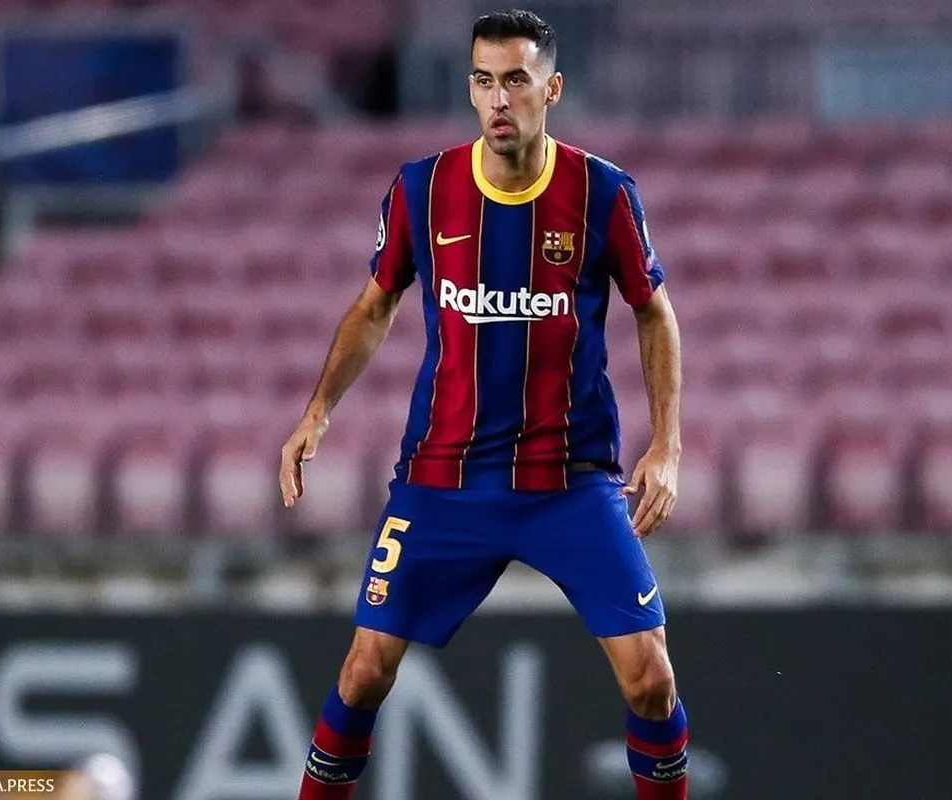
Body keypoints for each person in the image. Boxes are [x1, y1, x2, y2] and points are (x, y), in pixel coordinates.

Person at [279, 9, 686, 799]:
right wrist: (317, 411)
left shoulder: (602, 193)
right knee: (364, 672)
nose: (499, 99)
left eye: (516, 81)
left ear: (551, 90)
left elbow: (654, 311)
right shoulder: (421, 190)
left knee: (650, 681)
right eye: (483, 81)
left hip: (569, 483)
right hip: (444, 481)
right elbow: (374, 305)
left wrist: (666, 444)